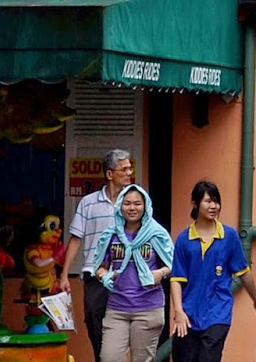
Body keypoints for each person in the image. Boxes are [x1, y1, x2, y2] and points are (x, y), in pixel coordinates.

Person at [169, 180, 256, 362]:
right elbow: (176, 279)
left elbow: (244, 272)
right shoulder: (184, 239)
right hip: (189, 313)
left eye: (216, 201)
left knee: (208, 357)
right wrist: (179, 311)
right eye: (208, 201)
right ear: (195, 204)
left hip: (218, 311)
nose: (214, 206)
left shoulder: (229, 236)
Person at [60, 148, 135, 358]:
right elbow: (75, 239)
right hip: (94, 275)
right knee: (94, 319)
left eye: (130, 169)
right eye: (124, 169)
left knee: (127, 323)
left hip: (126, 274)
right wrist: (65, 274)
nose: (129, 173)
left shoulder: (134, 204)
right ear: (110, 174)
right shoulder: (88, 202)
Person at [92, 185, 173, 362]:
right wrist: (104, 276)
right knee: (109, 357)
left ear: (146, 206)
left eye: (137, 203)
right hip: (117, 308)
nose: (132, 208)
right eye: (127, 203)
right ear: (120, 206)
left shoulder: (157, 234)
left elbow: (172, 265)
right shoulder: (110, 235)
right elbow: (99, 266)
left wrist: (161, 273)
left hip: (149, 307)